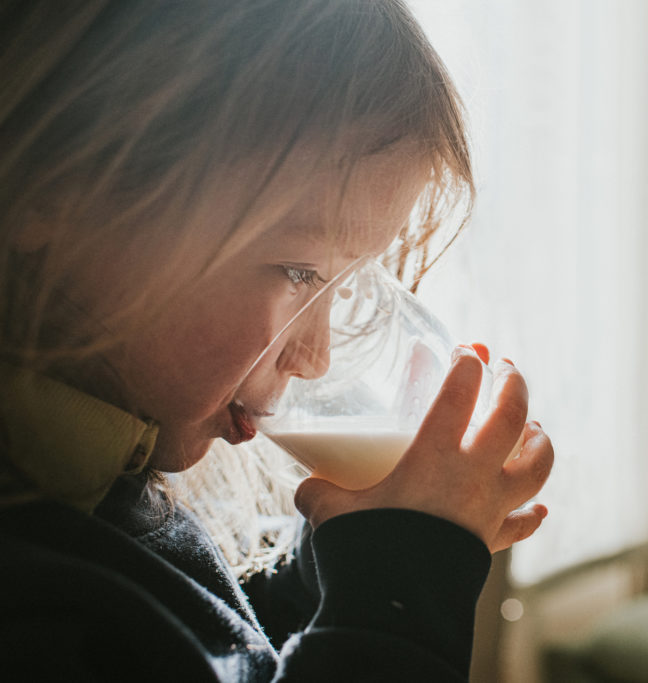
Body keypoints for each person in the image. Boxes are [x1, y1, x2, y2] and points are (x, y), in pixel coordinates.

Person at [0, 1, 554, 681]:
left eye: (346, 286)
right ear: (62, 187)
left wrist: (332, 568)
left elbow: (212, 646)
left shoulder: (99, 484)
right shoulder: (28, 594)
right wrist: (397, 597)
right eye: (301, 273)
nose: (316, 357)